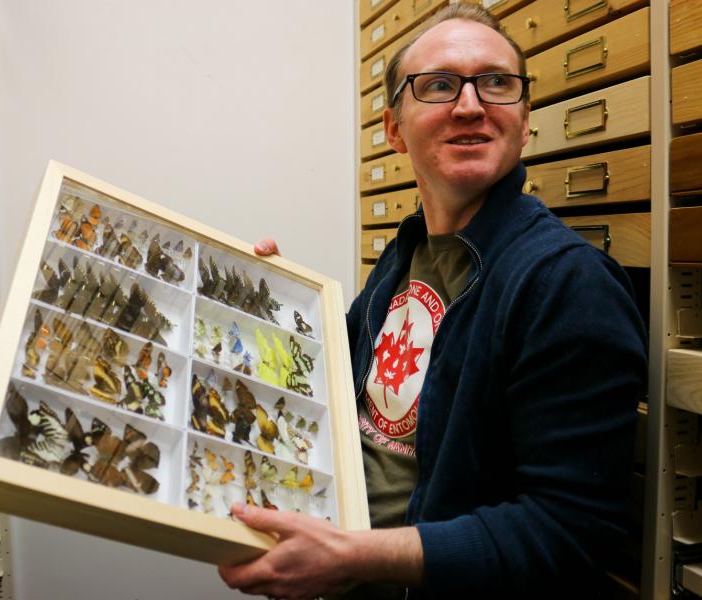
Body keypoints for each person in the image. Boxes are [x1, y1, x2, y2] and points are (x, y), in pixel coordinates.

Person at [218, 4, 648, 598]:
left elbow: (571, 532)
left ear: (525, 120)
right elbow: (342, 388)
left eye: (496, 82)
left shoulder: (568, 286)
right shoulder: (409, 249)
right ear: (394, 129)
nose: (470, 104)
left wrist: (358, 556)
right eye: (439, 85)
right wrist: (271, 305)